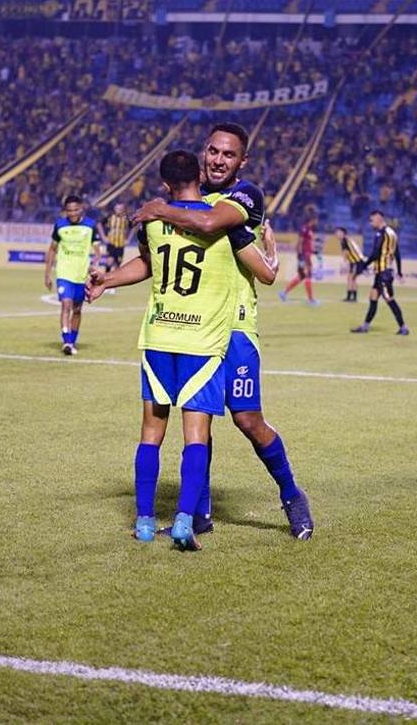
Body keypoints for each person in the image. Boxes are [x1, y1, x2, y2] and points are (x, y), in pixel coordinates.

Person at [130, 123, 314, 541]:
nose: (218, 160)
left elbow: (213, 223)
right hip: (193, 329)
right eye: (212, 151)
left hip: (235, 328)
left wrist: (160, 209)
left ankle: (291, 494)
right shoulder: (188, 201)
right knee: (198, 422)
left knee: (248, 419)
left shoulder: (243, 197)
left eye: (228, 155)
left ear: (241, 162)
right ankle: (198, 512)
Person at [88, 150, 278, 550]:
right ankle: (183, 522)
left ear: (164, 185)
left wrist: (107, 280)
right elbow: (264, 271)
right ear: (201, 175)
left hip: (158, 340)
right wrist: (270, 258)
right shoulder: (223, 226)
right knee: (196, 437)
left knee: (150, 435)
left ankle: (143, 522)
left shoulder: (155, 222)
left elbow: (147, 265)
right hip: (202, 343)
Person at [44, 195, 102, 355]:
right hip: (64, 272)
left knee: (77, 309)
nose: (72, 213)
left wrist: (95, 265)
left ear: (81, 208)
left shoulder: (90, 226)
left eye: (75, 209)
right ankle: (67, 341)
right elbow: (52, 249)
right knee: (66, 305)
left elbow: (97, 251)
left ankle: (72, 340)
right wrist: (47, 274)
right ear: (65, 211)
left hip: (81, 275)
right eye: (69, 210)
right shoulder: (60, 225)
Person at [350, 210, 408, 335]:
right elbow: (397, 253)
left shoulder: (380, 234)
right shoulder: (392, 233)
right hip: (384, 272)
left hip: (383, 273)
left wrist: (363, 266)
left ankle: (403, 327)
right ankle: (365, 326)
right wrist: (400, 271)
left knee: (389, 300)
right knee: (373, 297)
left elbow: (375, 253)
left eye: (372, 220)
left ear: (379, 219)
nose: (371, 223)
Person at [278, 213, 319, 305]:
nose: (317, 222)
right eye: (316, 220)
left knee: (301, 276)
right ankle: (311, 299)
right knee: (308, 275)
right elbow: (300, 242)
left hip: (307, 254)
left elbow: (308, 243)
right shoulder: (304, 229)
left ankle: (284, 293)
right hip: (304, 255)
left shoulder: (309, 230)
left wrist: (313, 251)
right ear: (312, 220)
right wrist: (300, 254)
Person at [334, 226, 364, 302]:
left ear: (342, 233)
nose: (336, 234)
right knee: (352, 279)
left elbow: (346, 252)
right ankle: (352, 297)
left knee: (351, 278)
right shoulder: (348, 239)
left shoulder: (344, 240)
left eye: (338, 232)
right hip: (356, 261)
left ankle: (350, 297)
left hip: (356, 262)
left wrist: (345, 262)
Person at [103, 201, 130, 273]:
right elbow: (99, 224)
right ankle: (106, 277)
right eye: (117, 209)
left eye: (120, 209)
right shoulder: (110, 217)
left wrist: (129, 238)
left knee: (117, 265)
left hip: (121, 244)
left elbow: (134, 226)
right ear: (114, 209)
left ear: (124, 209)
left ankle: (115, 281)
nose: (118, 210)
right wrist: (103, 237)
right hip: (111, 243)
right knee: (109, 262)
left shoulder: (126, 218)